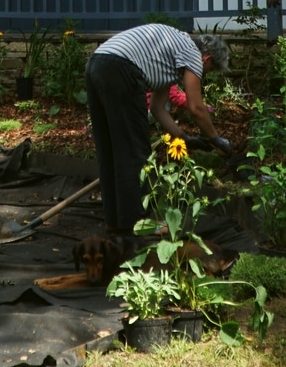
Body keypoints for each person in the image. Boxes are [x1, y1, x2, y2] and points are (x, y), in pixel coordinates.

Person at [84, 24, 232, 235]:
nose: (204, 75)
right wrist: (216, 138)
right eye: (209, 70)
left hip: (97, 64)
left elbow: (157, 108)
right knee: (135, 151)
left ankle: (115, 222)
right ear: (206, 59)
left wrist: (184, 138)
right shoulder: (191, 52)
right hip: (121, 68)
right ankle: (140, 223)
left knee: (108, 149)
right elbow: (196, 108)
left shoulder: (168, 58)